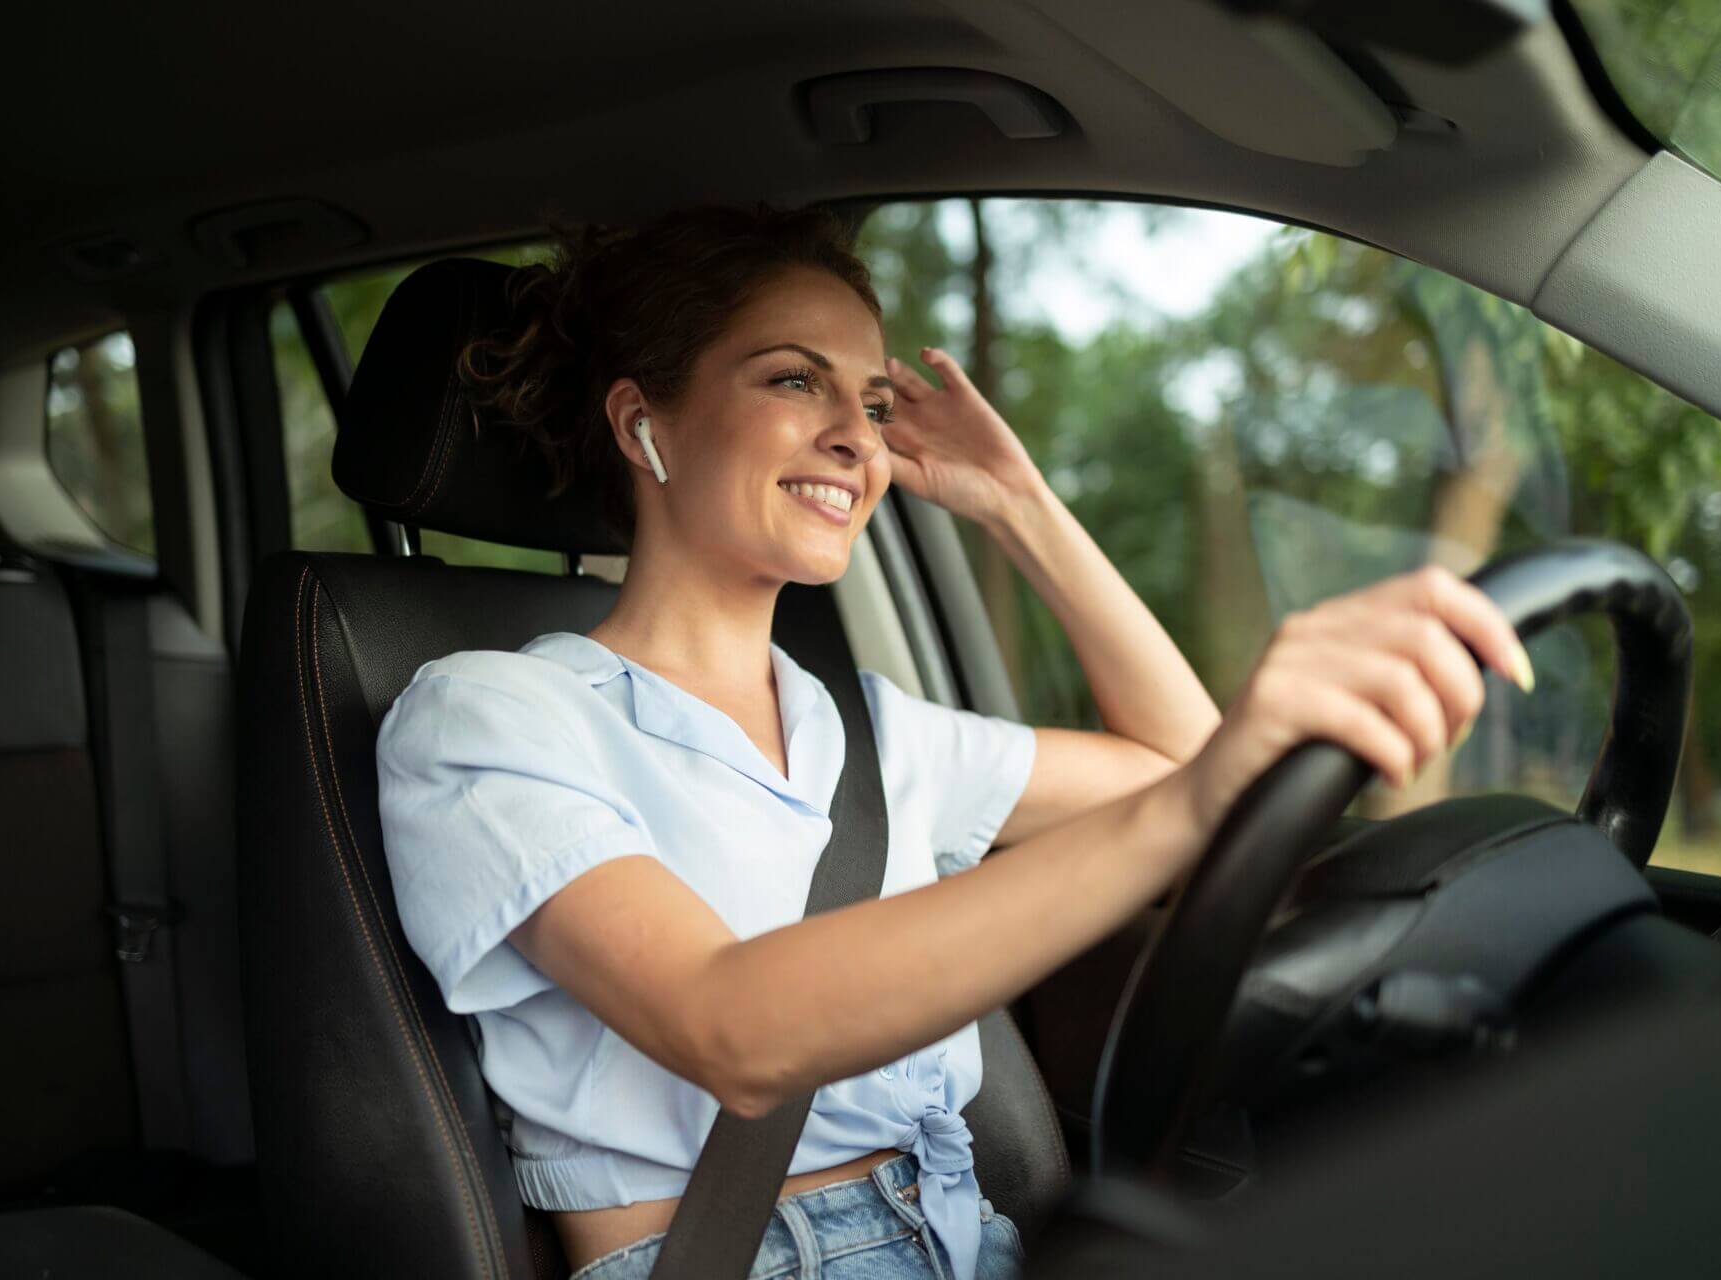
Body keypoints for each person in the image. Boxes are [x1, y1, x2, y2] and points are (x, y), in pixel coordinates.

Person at [374, 204, 1532, 1280]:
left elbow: (1206, 778)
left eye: (872, 406)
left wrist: (1020, 504)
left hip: (973, 1233)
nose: (854, 440)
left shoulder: (872, 732)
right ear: (644, 421)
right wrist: (1198, 795)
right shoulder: (489, 717)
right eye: (794, 379)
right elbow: (732, 1024)